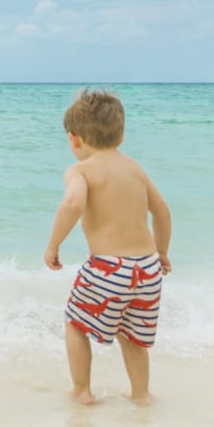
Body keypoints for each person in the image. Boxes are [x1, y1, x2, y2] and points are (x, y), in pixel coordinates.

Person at [43, 89, 173, 405]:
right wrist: (162, 252)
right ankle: (141, 395)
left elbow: (73, 203)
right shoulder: (134, 168)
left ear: (74, 139)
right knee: (133, 336)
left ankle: (82, 390)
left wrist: (53, 245)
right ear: (121, 135)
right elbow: (162, 212)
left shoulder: (80, 170)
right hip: (147, 269)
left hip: (108, 268)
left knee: (75, 323)